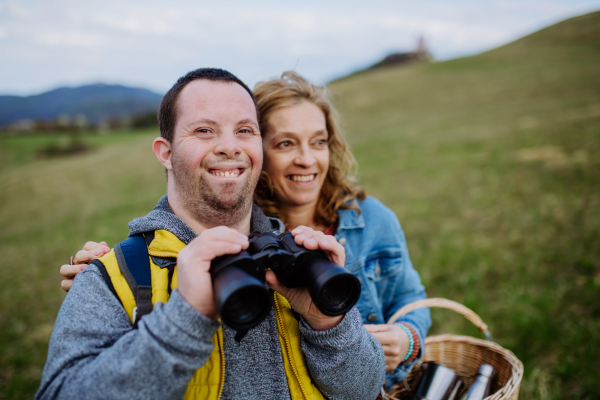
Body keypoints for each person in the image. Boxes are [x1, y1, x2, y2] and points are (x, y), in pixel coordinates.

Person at [61, 71, 431, 390]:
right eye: (205, 130)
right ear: (165, 152)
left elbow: (364, 387)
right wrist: (176, 310)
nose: (229, 146)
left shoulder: (324, 239)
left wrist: (332, 323)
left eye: (243, 130)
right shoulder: (121, 274)